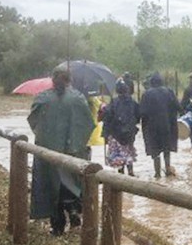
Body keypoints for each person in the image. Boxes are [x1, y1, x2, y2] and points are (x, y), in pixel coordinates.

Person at [28, 69, 95, 236]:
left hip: (47, 152)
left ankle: (57, 226)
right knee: (72, 184)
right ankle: (73, 212)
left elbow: (33, 121)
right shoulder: (78, 98)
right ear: (69, 80)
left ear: (53, 80)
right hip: (73, 152)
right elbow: (88, 124)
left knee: (50, 186)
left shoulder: (42, 98)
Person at [140, 72, 180, 177]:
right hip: (167, 126)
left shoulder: (146, 94)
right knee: (167, 149)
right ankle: (168, 169)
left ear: (151, 83)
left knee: (155, 150)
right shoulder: (169, 92)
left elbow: (142, 113)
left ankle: (157, 173)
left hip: (152, 128)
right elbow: (178, 107)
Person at [101, 78, 140, 176]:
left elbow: (107, 118)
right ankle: (131, 172)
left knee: (119, 154)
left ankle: (121, 174)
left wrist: (103, 110)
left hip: (116, 134)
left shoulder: (113, 102)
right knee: (128, 152)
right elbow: (138, 115)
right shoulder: (133, 102)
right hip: (129, 133)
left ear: (117, 91)